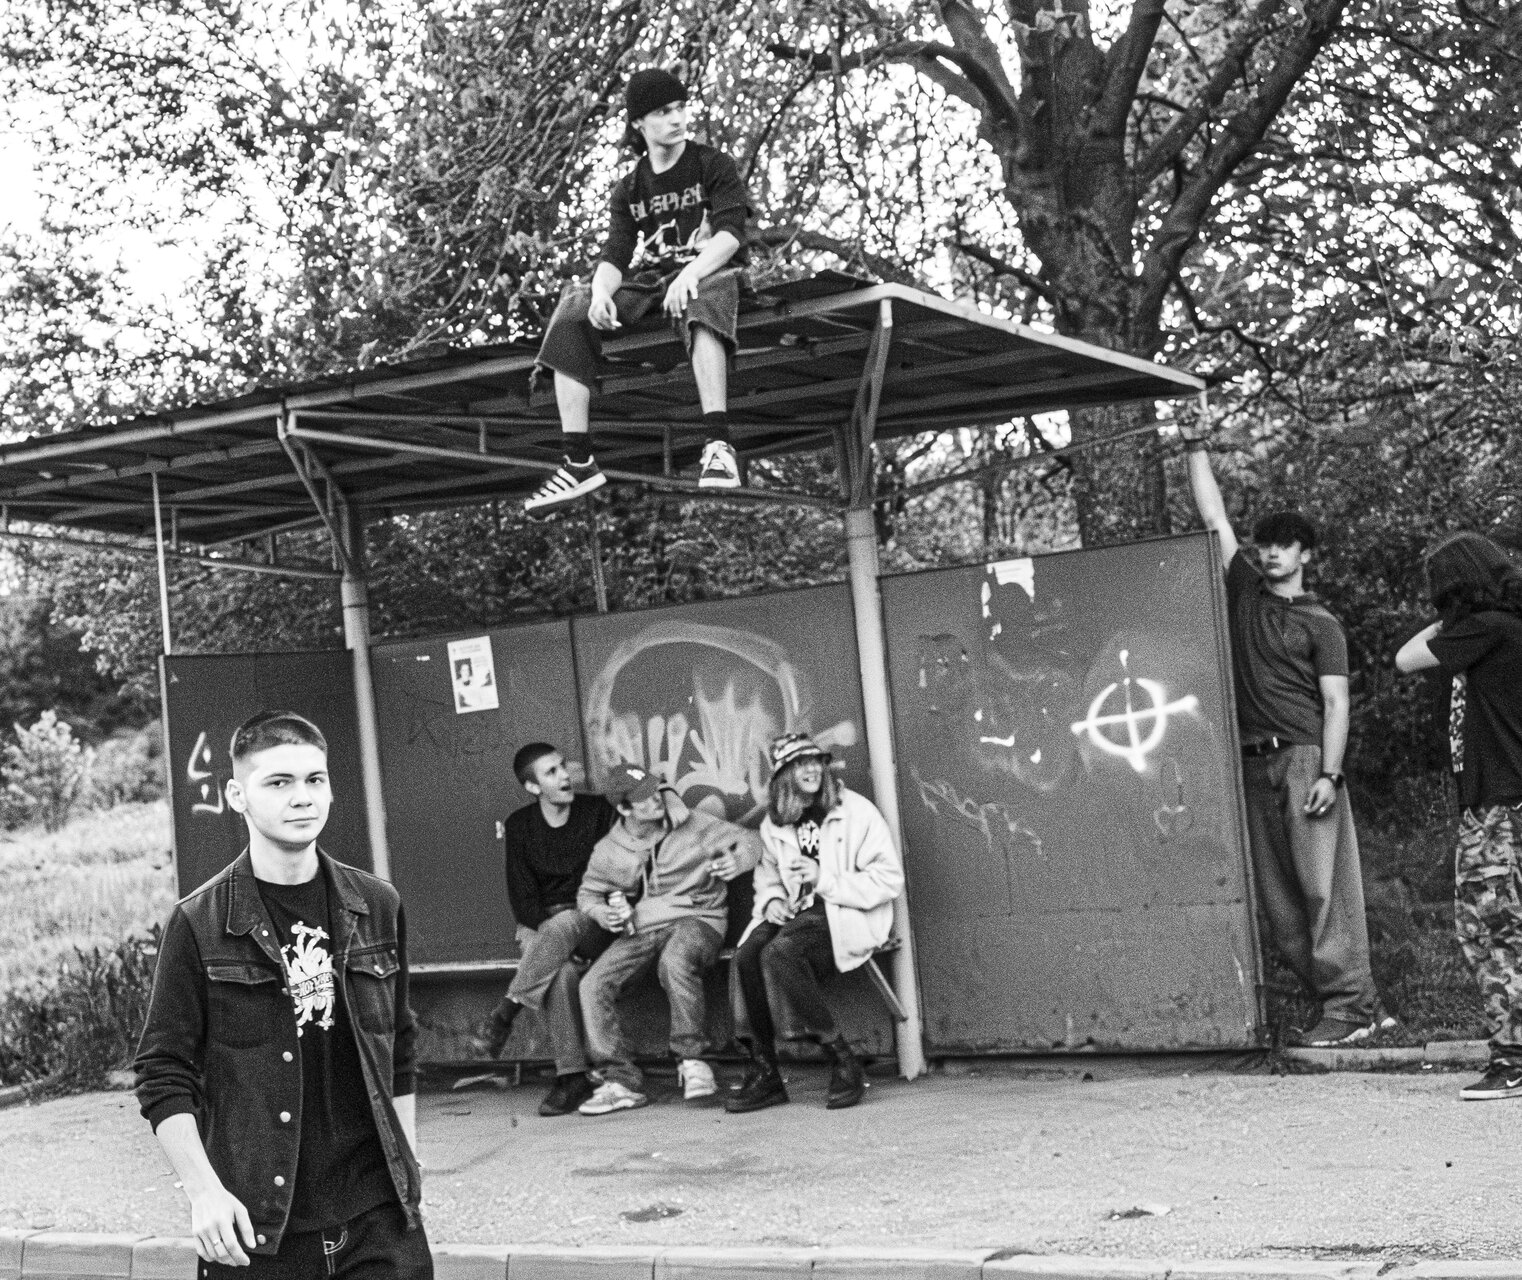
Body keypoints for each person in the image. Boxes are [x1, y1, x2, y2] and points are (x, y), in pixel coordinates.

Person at [133, 711, 429, 1279]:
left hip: (378, 1221)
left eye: (315, 779)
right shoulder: (199, 923)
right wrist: (203, 1192)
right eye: (278, 782)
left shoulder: (377, 904)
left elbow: (401, 1044)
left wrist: (406, 1169)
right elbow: (163, 1071)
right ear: (236, 795)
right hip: (258, 1228)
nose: (301, 797)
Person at [1185, 438, 1386, 1046]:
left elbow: (1337, 703)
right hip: (1250, 762)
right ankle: (1337, 1003)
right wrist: (1194, 445)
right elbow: (1214, 518)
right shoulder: (1245, 592)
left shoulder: (1323, 624)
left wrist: (1330, 773)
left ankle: (1353, 1007)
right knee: (1278, 899)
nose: (1271, 553)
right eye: (1265, 544)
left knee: (1323, 886)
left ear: (1305, 554)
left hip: (1304, 759)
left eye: (1284, 544)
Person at [525, 67, 753, 511]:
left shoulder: (712, 164)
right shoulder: (629, 188)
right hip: (654, 278)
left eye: (681, 108)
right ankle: (578, 461)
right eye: (664, 112)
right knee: (573, 308)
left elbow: (730, 235)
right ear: (638, 123)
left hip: (710, 272)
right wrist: (601, 294)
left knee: (702, 297)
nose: (677, 119)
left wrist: (691, 273)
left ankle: (718, 444)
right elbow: (615, 254)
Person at [1396, 531, 1522, 1100]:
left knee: (1492, 934)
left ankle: (1513, 1059)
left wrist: (1453, 618)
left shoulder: (1486, 629)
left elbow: (1406, 657)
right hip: (1503, 802)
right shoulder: (1506, 629)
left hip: (1498, 810)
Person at [727, 733, 903, 1113]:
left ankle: (842, 1059)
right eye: (799, 764)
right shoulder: (776, 823)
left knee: (780, 952)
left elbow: (889, 880)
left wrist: (824, 878)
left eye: (816, 761)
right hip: (798, 911)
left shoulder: (855, 812)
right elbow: (768, 876)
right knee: (746, 955)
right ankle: (765, 1072)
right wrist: (772, 900)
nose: (811, 769)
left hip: (847, 911)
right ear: (783, 776)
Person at [575, 762, 761, 1114]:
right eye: (643, 797)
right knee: (592, 984)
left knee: (675, 961)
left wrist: (737, 861)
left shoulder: (694, 824)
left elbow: (753, 841)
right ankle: (620, 1080)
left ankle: (693, 1061)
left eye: (655, 789)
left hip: (699, 919)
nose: (655, 799)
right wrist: (604, 913)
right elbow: (588, 895)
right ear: (624, 808)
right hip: (643, 927)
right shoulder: (610, 850)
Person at [468, 743, 617, 1116]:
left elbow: (612, 878)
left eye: (563, 766)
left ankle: (506, 1012)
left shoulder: (597, 811)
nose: (565, 775)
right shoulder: (520, 825)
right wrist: (555, 940)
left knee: (565, 924)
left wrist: (569, 928)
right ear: (533, 787)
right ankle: (573, 1076)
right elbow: (523, 900)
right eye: (552, 772)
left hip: (591, 917)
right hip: (542, 925)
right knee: (559, 973)